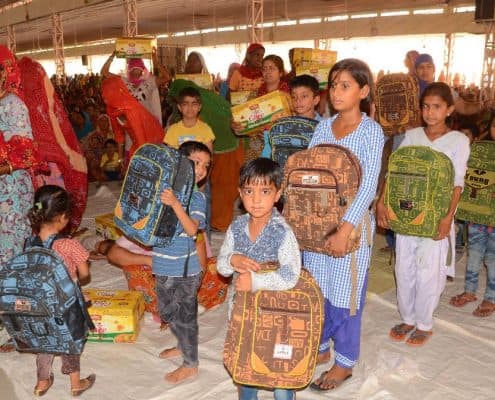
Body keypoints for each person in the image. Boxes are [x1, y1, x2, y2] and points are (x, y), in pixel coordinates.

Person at [306, 59, 384, 391]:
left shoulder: (371, 131)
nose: (337, 92)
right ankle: (321, 348)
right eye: (334, 84)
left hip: (349, 229)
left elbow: (368, 185)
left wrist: (345, 228)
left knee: (345, 294)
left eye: (346, 86)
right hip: (317, 222)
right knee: (317, 287)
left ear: (363, 91)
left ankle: (345, 362)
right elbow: (307, 174)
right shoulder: (322, 127)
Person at [377, 82, 470, 345]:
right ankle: (407, 318)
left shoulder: (458, 141)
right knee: (404, 266)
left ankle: (424, 323)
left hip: (435, 216)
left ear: (449, 110)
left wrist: (447, 218)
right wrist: (382, 203)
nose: (430, 112)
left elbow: (458, 183)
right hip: (406, 214)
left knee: (429, 269)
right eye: (426, 106)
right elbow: (392, 172)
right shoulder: (411, 135)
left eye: (437, 107)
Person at [217, 158, 301, 400]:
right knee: (245, 369)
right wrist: (233, 259)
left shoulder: (282, 232)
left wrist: (256, 282)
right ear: (239, 193)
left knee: (279, 372)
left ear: (277, 194)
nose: (255, 200)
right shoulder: (236, 227)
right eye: (249, 191)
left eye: (265, 191)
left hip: (276, 317)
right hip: (242, 313)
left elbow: (290, 275)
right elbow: (222, 268)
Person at [140, 141, 211, 384]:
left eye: (206, 165)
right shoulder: (166, 191)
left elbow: (193, 229)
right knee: (168, 312)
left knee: (186, 318)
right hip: (162, 266)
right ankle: (182, 344)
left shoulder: (198, 198)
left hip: (185, 271)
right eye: (196, 162)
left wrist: (175, 204)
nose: (201, 169)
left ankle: (191, 364)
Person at [28, 185, 95, 397]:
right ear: (63, 217)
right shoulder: (69, 244)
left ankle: (41, 382)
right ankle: (76, 383)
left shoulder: (29, 243)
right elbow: (84, 274)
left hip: (40, 304)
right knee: (70, 341)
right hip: (66, 304)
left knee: (44, 342)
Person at [0, 45, 42, 352]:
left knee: (14, 260)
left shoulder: (13, 104)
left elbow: (27, 153)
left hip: (11, 193)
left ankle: (24, 331)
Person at [450, 114, 495, 317]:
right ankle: (469, 291)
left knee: (493, 259)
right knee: (474, 254)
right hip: (477, 215)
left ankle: (491, 298)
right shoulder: (478, 150)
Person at [260, 73, 322, 158]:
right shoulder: (281, 124)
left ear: (316, 100)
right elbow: (268, 154)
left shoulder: (324, 127)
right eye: (294, 96)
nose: (298, 101)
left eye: (304, 96)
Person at [101, 51, 162, 125]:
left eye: (138, 69)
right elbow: (104, 71)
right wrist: (112, 55)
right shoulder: (124, 81)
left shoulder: (149, 82)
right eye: (133, 69)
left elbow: (167, 78)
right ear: (130, 70)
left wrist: (156, 61)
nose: (135, 72)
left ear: (142, 70)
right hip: (131, 124)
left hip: (146, 123)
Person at [164, 86, 215, 152]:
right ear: (179, 107)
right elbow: (170, 157)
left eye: (194, 104)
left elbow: (209, 157)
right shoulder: (172, 130)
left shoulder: (206, 129)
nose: (190, 108)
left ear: (199, 107)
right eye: (185, 104)